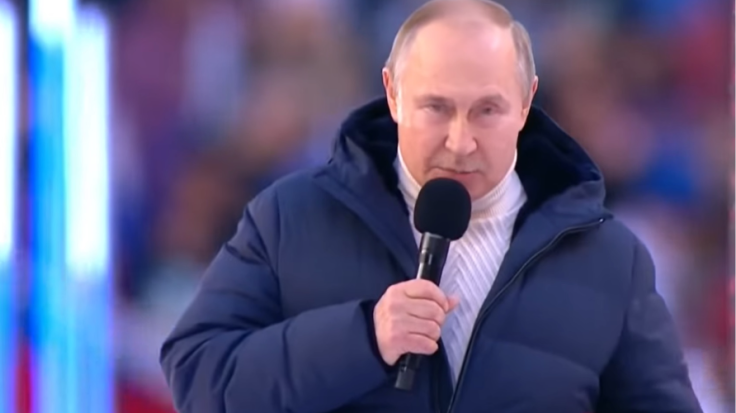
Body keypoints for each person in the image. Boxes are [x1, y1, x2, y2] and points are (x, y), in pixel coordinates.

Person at [159, 1, 702, 412]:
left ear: (526, 103)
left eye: (487, 110)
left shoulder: (609, 257)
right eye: (436, 108)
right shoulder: (290, 217)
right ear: (393, 94)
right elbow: (198, 378)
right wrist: (363, 337)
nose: (460, 142)